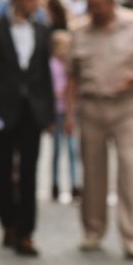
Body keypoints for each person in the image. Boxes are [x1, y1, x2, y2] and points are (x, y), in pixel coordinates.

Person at [64, 0, 133, 260]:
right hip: (92, 107)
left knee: (128, 168)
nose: (93, 10)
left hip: (126, 107)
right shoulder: (80, 31)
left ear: (112, 2)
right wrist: (69, 113)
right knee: (93, 172)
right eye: (89, 5)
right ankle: (93, 229)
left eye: (97, 5)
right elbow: (72, 75)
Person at [0, 0, 54, 256]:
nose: (36, 3)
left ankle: (27, 232)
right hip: (3, 111)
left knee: (31, 172)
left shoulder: (44, 30)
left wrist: (51, 113)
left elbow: (45, 75)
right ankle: (8, 222)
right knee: (4, 169)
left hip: (33, 112)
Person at [50, 30, 80, 202]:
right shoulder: (51, 65)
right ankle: (55, 183)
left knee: (71, 148)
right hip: (56, 112)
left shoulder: (72, 66)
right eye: (62, 46)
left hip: (70, 111)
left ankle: (75, 184)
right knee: (56, 150)